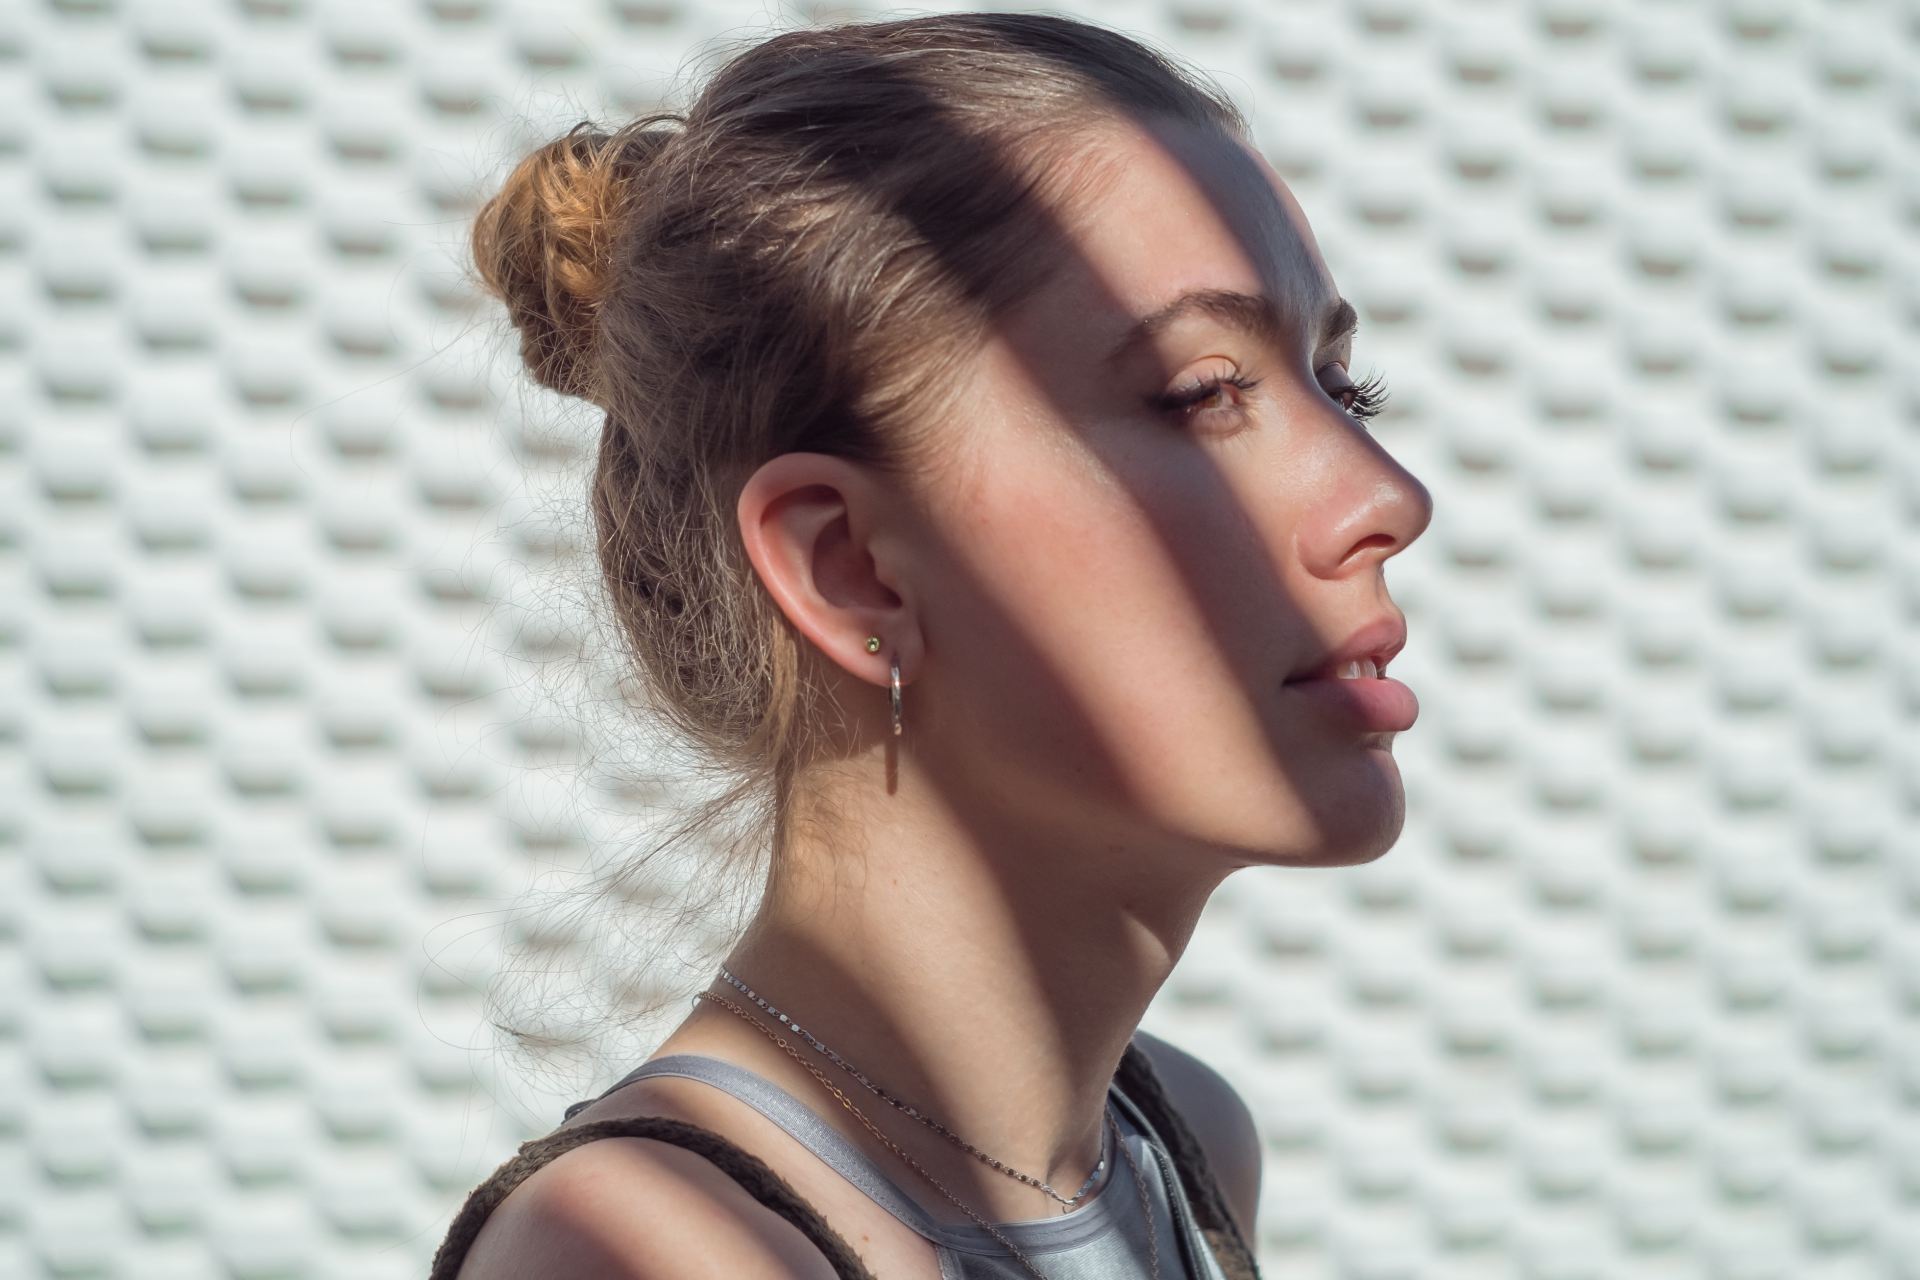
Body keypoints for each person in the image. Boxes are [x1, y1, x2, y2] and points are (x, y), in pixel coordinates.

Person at [432, 10, 1431, 1279]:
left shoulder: (1183, 1154)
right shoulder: (654, 1255)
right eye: (1203, 392)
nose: (1385, 496)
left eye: (1342, 389)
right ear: (849, 565)